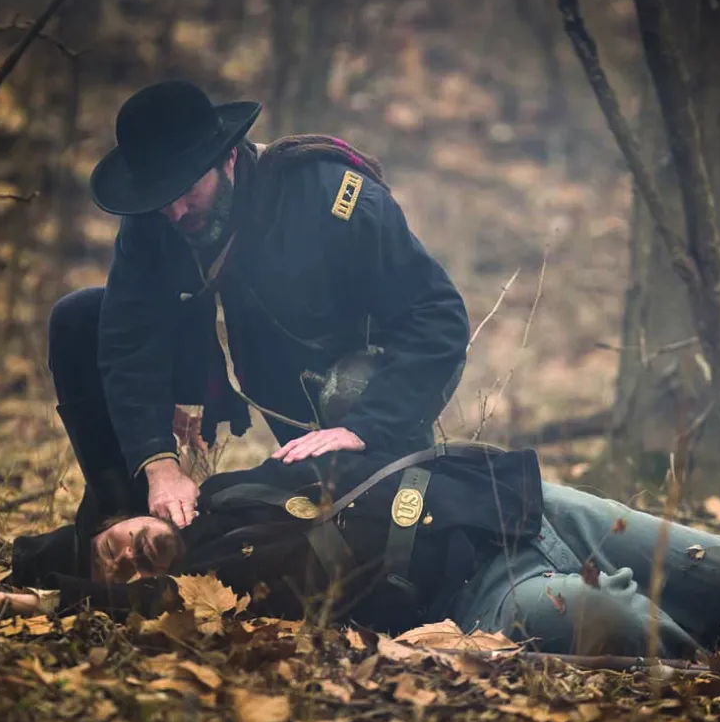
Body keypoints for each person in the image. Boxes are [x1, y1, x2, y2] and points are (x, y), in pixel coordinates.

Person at [0, 446, 720, 667]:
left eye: (121, 541)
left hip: (512, 505)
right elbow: (66, 601)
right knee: (613, 629)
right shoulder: (197, 603)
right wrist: (1, 598)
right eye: (123, 570)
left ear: (138, 511)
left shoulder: (224, 489)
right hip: (487, 588)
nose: (136, 558)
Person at [48, 79, 469, 532]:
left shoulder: (332, 199)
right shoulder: (155, 219)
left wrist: (366, 426)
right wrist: (158, 465)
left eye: (188, 189)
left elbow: (437, 316)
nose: (174, 213)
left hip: (331, 390)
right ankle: (127, 519)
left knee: (329, 497)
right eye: (159, 199)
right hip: (222, 360)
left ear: (227, 157)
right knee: (81, 320)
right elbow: (129, 339)